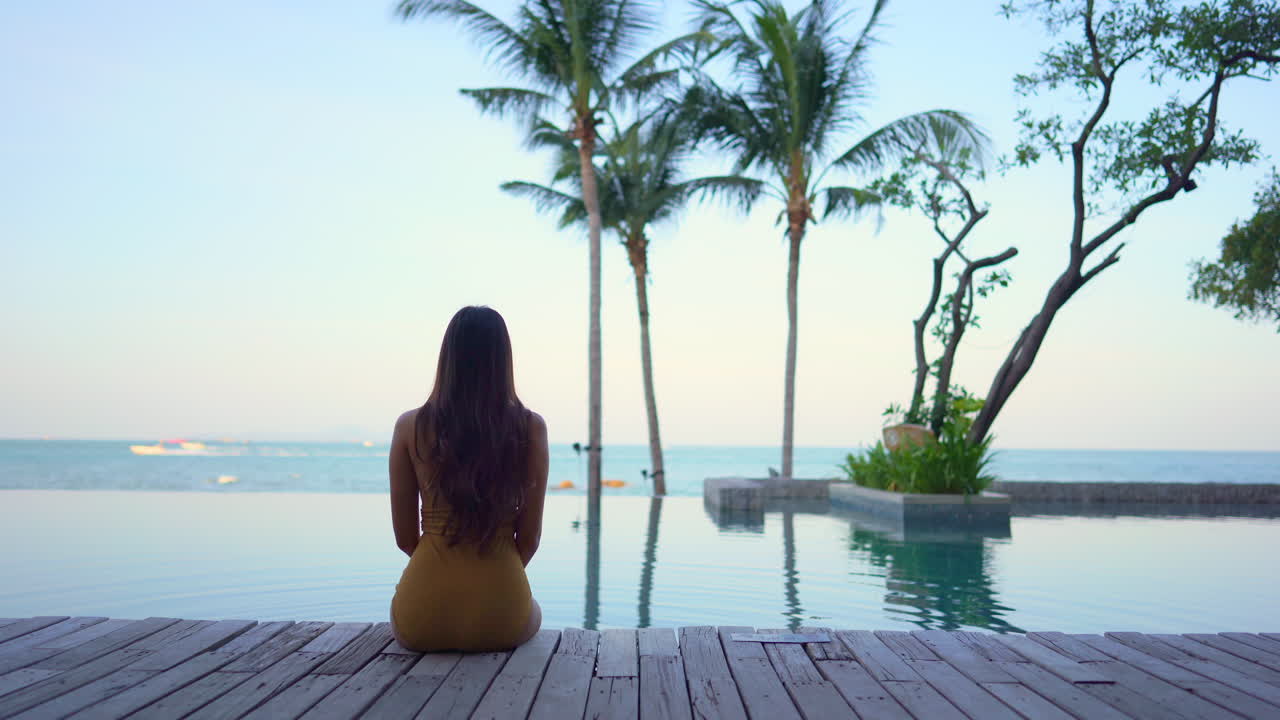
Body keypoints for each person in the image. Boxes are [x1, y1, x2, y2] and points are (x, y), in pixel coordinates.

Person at [388, 306, 548, 651]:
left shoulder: (408, 427)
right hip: (502, 617)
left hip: (420, 618)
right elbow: (530, 538)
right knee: (534, 613)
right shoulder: (530, 427)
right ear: (503, 360)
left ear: (447, 358)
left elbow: (404, 539)